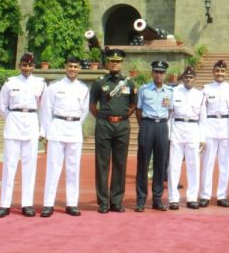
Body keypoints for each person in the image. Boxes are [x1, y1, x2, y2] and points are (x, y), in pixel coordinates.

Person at [0, 53, 46, 218]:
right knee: (9, 165)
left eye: (30, 65)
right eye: (24, 65)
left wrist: (42, 130)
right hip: (14, 122)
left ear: (34, 66)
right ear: (19, 66)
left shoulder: (40, 84)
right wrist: (11, 118)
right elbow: (1, 105)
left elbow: (44, 108)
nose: (27, 68)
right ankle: (4, 204)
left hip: (31, 122)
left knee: (29, 166)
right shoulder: (10, 83)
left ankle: (27, 204)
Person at [39, 56, 89, 217]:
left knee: (73, 169)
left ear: (79, 69)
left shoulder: (83, 88)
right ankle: (48, 204)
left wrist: (75, 124)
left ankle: (72, 204)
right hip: (57, 127)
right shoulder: (54, 86)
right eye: (70, 66)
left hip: (74, 128)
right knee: (53, 168)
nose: (72, 69)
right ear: (65, 67)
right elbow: (46, 110)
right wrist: (47, 131)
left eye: (75, 66)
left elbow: (84, 111)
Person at [89, 48, 136, 213]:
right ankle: (103, 201)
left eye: (118, 61)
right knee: (102, 163)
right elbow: (92, 106)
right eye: (112, 61)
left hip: (122, 127)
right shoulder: (99, 82)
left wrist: (121, 117)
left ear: (122, 63)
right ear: (107, 62)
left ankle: (116, 201)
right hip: (104, 126)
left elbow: (132, 105)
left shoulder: (129, 83)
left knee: (120, 163)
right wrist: (103, 118)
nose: (115, 64)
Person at [134, 60, 172, 212]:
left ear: (165, 74)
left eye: (161, 72)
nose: (159, 75)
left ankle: (157, 199)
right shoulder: (144, 89)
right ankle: (141, 200)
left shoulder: (169, 91)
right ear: (152, 73)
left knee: (160, 163)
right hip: (147, 124)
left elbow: (169, 111)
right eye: (156, 71)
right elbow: (138, 110)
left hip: (162, 126)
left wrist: (160, 123)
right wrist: (144, 125)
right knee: (143, 162)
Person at [168, 65, 206, 210]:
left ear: (195, 79)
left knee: (193, 165)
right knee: (174, 165)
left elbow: (203, 119)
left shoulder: (200, 95)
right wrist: (169, 134)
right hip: (177, 128)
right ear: (182, 79)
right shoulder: (174, 92)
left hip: (193, 130)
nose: (188, 79)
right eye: (186, 77)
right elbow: (170, 115)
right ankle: (173, 198)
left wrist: (203, 138)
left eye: (191, 77)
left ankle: (192, 198)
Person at [200, 59, 229, 207]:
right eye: (217, 71)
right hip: (210, 125)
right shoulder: (206, 89)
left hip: (226, 127)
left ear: (226, 72)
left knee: (224, 163)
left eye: (222, 71)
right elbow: (202, 113)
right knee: (207, 163)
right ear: (213, 72)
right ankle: (204, 195)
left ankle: (221, 195)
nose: (220, 73)